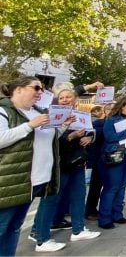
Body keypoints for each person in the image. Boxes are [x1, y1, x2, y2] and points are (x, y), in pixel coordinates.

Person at [0, 77, 67, 255]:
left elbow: (47, 139)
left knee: (14, 228)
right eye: (36, 88)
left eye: (42, 89)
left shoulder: (38, 112)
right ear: (18, 89)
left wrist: (63, 126)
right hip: (12, 181)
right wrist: (29, 125)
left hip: (36, 181)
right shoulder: (4, 111)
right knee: (2, 227)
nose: (40, 92)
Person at [31, 88, 100, 251]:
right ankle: (40, 235)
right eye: (61, 98)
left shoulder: (82, 115)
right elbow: (49, 139)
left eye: (68, 97)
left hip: (77, 162)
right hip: (59, 164)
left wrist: (89, 137)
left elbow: (92, 132)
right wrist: (71, 136)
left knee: (78, 196)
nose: (65, 100)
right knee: (50, 200)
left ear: (75, 99)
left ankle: (78, 229)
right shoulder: (50, 115)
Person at [99, 97, 126, 229]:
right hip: (116, 153)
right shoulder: (111, 120)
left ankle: (117, 214)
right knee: (112, 187)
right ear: (121, 106)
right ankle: (105, 218)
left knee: (122, 186)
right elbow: (109, 137)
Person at [85, 103, 112, 221]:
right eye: (109, 109)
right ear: (104, 111)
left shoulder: (122, 122)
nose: (112, 111)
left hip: (114, 159)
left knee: (111, 186)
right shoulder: (98, 123)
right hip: (99, 159)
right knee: (96, 186)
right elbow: (93, 136)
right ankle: (90, 210)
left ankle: (107, 208)